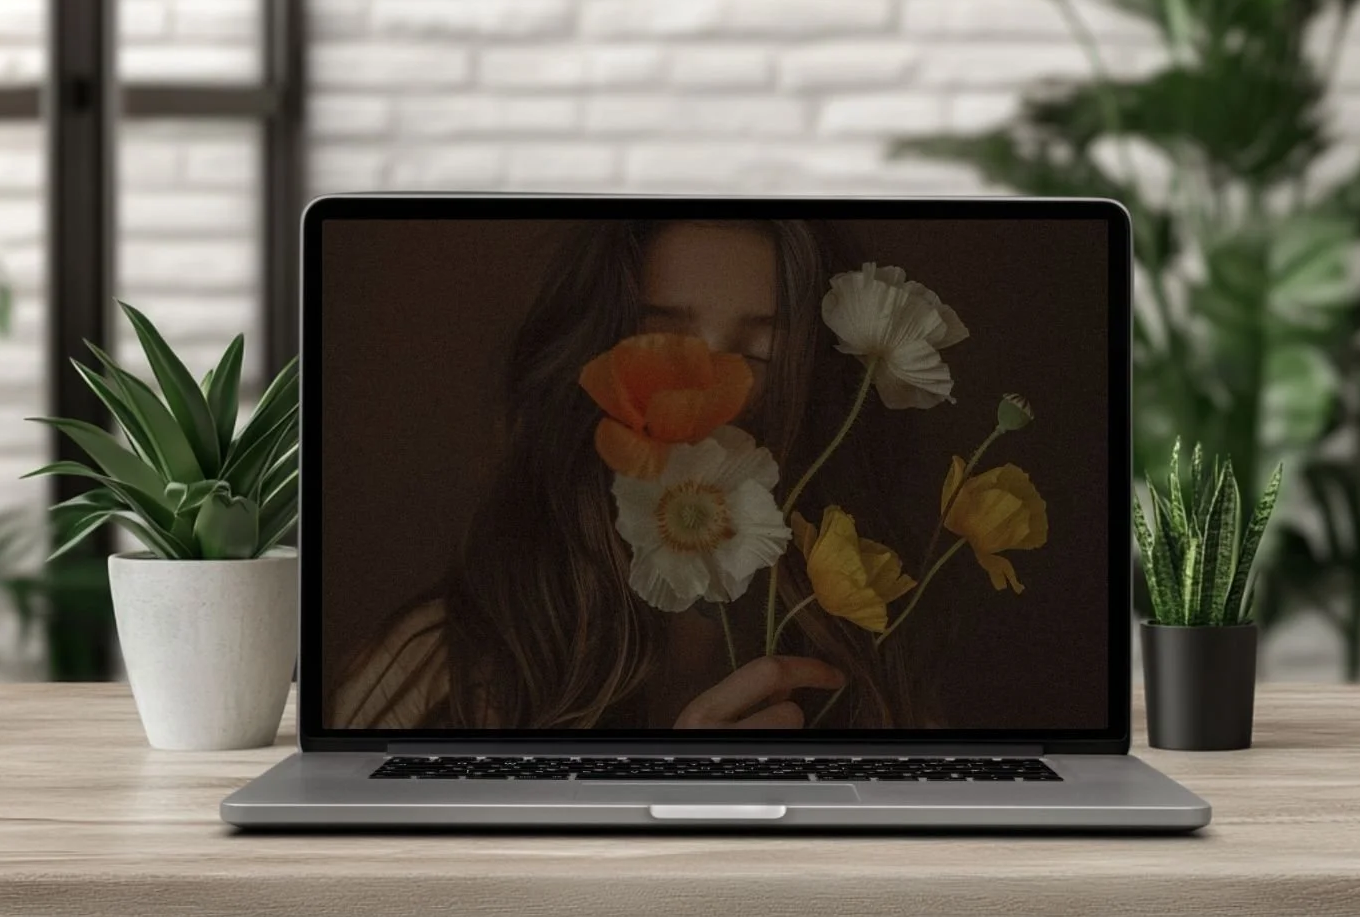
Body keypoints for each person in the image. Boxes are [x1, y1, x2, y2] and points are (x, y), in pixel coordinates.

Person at [329, 218, 929, 731]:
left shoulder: (867, 673)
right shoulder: (433, 672)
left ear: (824, 401)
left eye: (760, 356)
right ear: (586, 367)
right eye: (663, 341)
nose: (705, 386)